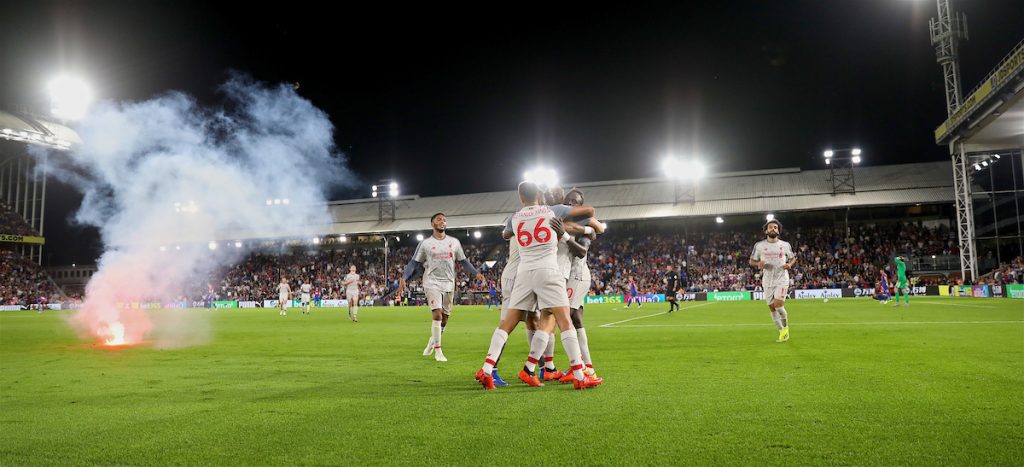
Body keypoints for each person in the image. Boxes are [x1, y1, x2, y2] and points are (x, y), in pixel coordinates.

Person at [474, 181, 602, 390]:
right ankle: (580, 375)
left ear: (520, 198)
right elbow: (590, 210)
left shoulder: (514, 217)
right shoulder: (552, 211)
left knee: (508, 322)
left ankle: (486, 370)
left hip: (524, 273)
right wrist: (580, 223)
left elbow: (506, 235)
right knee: (564, 320)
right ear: (540, 197)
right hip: (548, 271)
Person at [398, 212, 486, 362]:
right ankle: (438, 352)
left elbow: (463, 261)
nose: (442, 222)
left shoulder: (455, 242)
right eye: (439, 219)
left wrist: (476, 273)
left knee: (444, 319)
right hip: (431, 281)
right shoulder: (425, 243)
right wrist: (404, 277)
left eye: (444, 220)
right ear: (432, 224)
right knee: (437, 314)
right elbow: (414, 262)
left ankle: (432, 342)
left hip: (449, 282)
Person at [749, 219, 796, 343]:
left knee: (778, 306)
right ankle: (781, 331)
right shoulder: (759, 246)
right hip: (767, 280)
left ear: (778, 231)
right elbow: (751, 261)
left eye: (775, 227)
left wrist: (790, 265)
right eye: (770, 227)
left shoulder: (785, 245)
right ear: (766, 231)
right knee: (772, 308)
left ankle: (786, 327)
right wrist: (759, 263)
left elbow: (792, 258)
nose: (773, 229)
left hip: (782, 278)